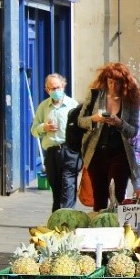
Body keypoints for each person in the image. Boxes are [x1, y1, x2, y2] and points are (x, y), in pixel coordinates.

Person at [78, 63, 140, 212]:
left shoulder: (130, 101)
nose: (113, 86)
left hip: (119, 154)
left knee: (117, 196)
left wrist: (120, 123)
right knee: (99, 197)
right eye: (110, 82)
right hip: (96, 153)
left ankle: (118, 227)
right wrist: (94, 118)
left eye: (117, 82)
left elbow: (133, 131)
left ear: (124, 83)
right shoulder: (95, 95)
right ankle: (99, 228)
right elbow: (81, 121)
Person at [30, 73, 81, 212]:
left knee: (68, 186)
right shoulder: (43, 107)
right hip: (52, 152)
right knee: (57, 190)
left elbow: (80, 128)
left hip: (70, 151)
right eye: (52, 89)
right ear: (47, 90)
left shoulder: (73, 105)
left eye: (58, 87)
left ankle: (67, 218)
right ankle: (57, 220)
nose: (55, 91)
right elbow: (34, 130)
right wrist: (44, 127)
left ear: (63, 86)